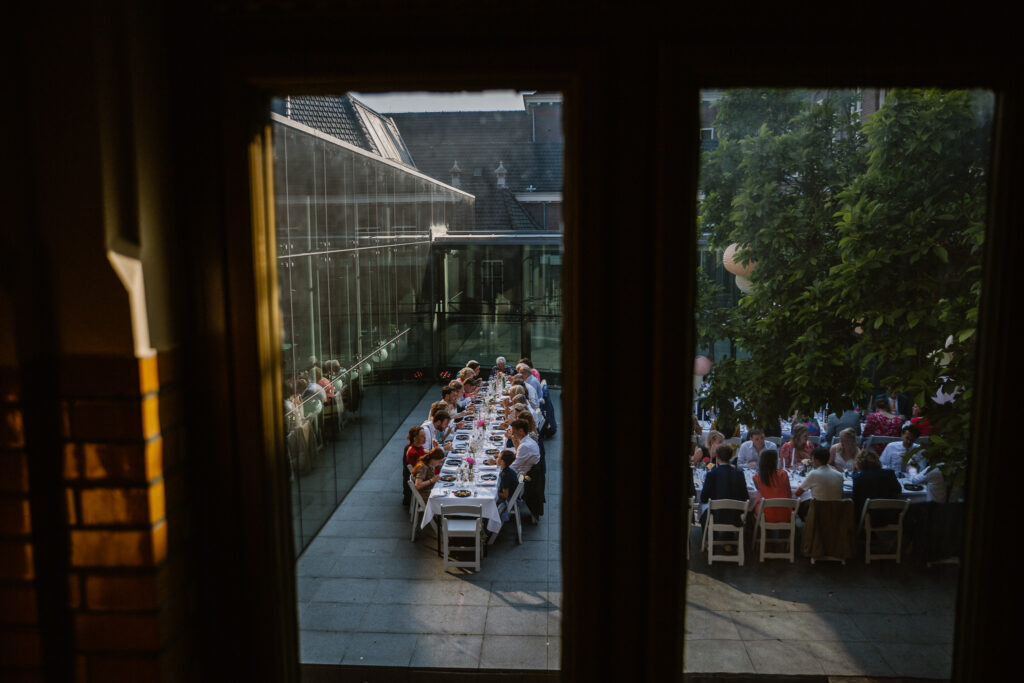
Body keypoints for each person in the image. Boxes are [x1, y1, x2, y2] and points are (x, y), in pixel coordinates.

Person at [699, 444, 749, 527]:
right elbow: (745, 497)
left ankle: (707, 536)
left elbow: (703, 498)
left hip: (717, 516)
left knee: (703, 507)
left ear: (717, 457)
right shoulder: (739, 474)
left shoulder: (711, 474)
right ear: (730, 457)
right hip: (735, 516)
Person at [851, 448, 902, 523]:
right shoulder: (889, 474)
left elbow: (855, 500)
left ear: (859, 463)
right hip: (889, 517)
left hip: (867, 518)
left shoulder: (858, 478)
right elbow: (898, 490)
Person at [794, 447, 844, 520]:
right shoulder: (839, 475)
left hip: (818, 513)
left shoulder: (814, 474)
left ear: (816, 460)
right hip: (835, 513)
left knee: (799, 505)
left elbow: (797, 493)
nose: (811, 461)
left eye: (812, 459)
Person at [402, 426, 428, 506]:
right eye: (421, 436)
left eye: (424, 435)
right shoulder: (414, 452)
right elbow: (422, 470)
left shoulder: (417, 447)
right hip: (422, 479)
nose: (425, 438)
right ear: (414, 438)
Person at [496, 449, 519, 522]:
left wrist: (495, 492)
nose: (496, 458)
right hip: (510, 495)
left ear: (502, 461)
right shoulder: (507, 470)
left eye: (498, 457)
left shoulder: (506, 475)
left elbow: (505, 495)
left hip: (507, 500)